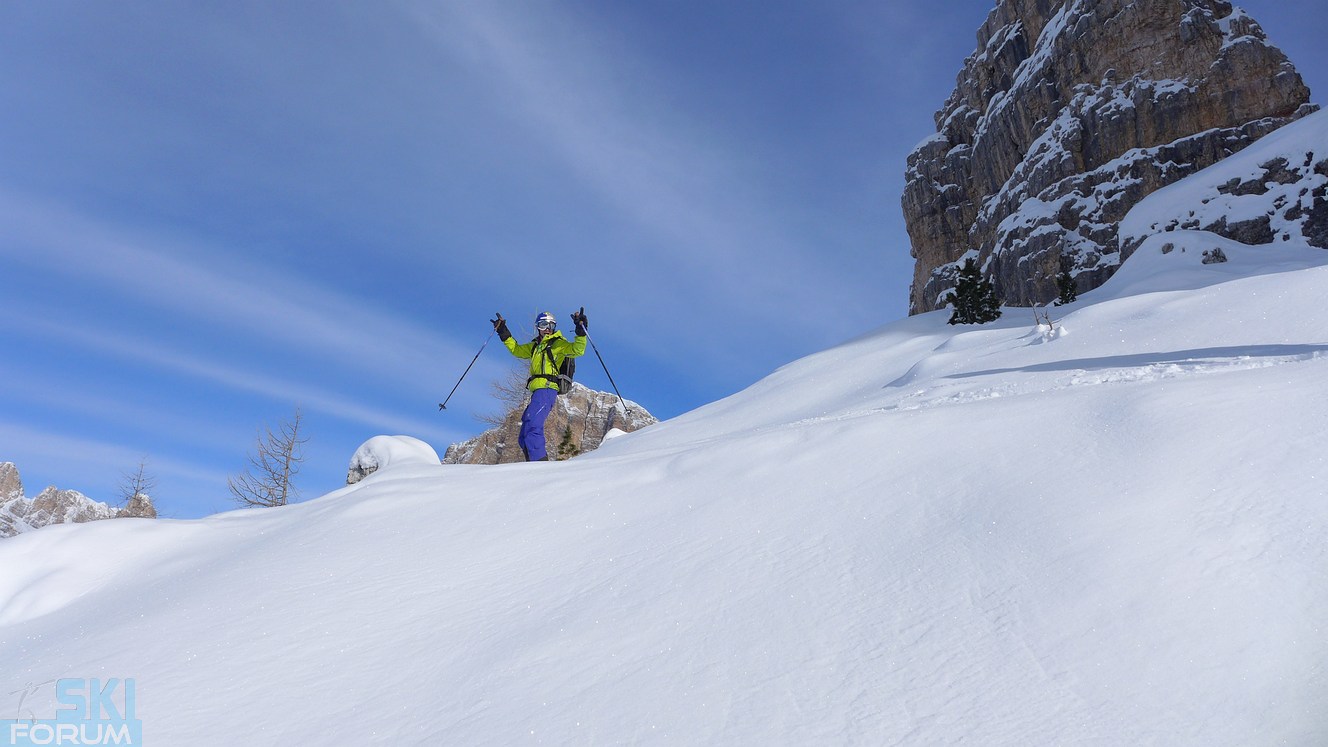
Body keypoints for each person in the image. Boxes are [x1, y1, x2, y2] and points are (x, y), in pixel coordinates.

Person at [490, 308, 588, 461]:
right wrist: (503, 332)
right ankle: (532, 464)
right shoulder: (535, 346)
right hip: (537, 391)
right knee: (524, 433)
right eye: (543, 325)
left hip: (548, 388)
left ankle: (541, 466)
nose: (548, 329)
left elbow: (577, 350)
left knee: (533, 425)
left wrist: (580, 331)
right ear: (538, 327)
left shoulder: (558, 344)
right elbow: (516, 350)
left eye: (551, 325)